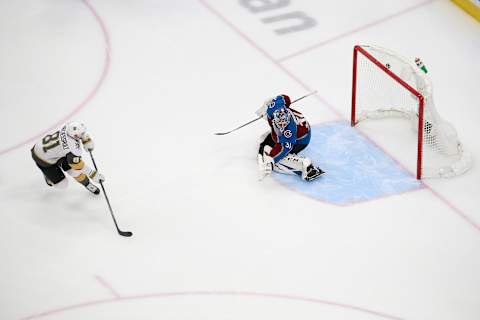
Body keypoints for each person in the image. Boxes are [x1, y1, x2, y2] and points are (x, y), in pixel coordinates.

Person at [255, 94, 324, 181]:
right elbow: (286, 99)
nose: (282, 125)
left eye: (284, 122)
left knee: (275, 161)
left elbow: (285, 148)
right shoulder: (274, 106)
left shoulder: (288, 130)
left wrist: (272, 159)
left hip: (301, 140)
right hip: (302, 129)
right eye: (280, 123)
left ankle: (305, 166)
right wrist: (269, 102)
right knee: (265, 140)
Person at [30, 121, 105, 194]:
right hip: (42, 158)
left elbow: (78, 133)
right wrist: (93, 174)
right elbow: (78, 165)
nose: (82, 135)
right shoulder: (71, 148)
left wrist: (86, 140)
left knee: (73, 171)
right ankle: (49, 177)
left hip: (47, 149)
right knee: (62, 185)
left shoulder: (68, 128)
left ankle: (87, 184)